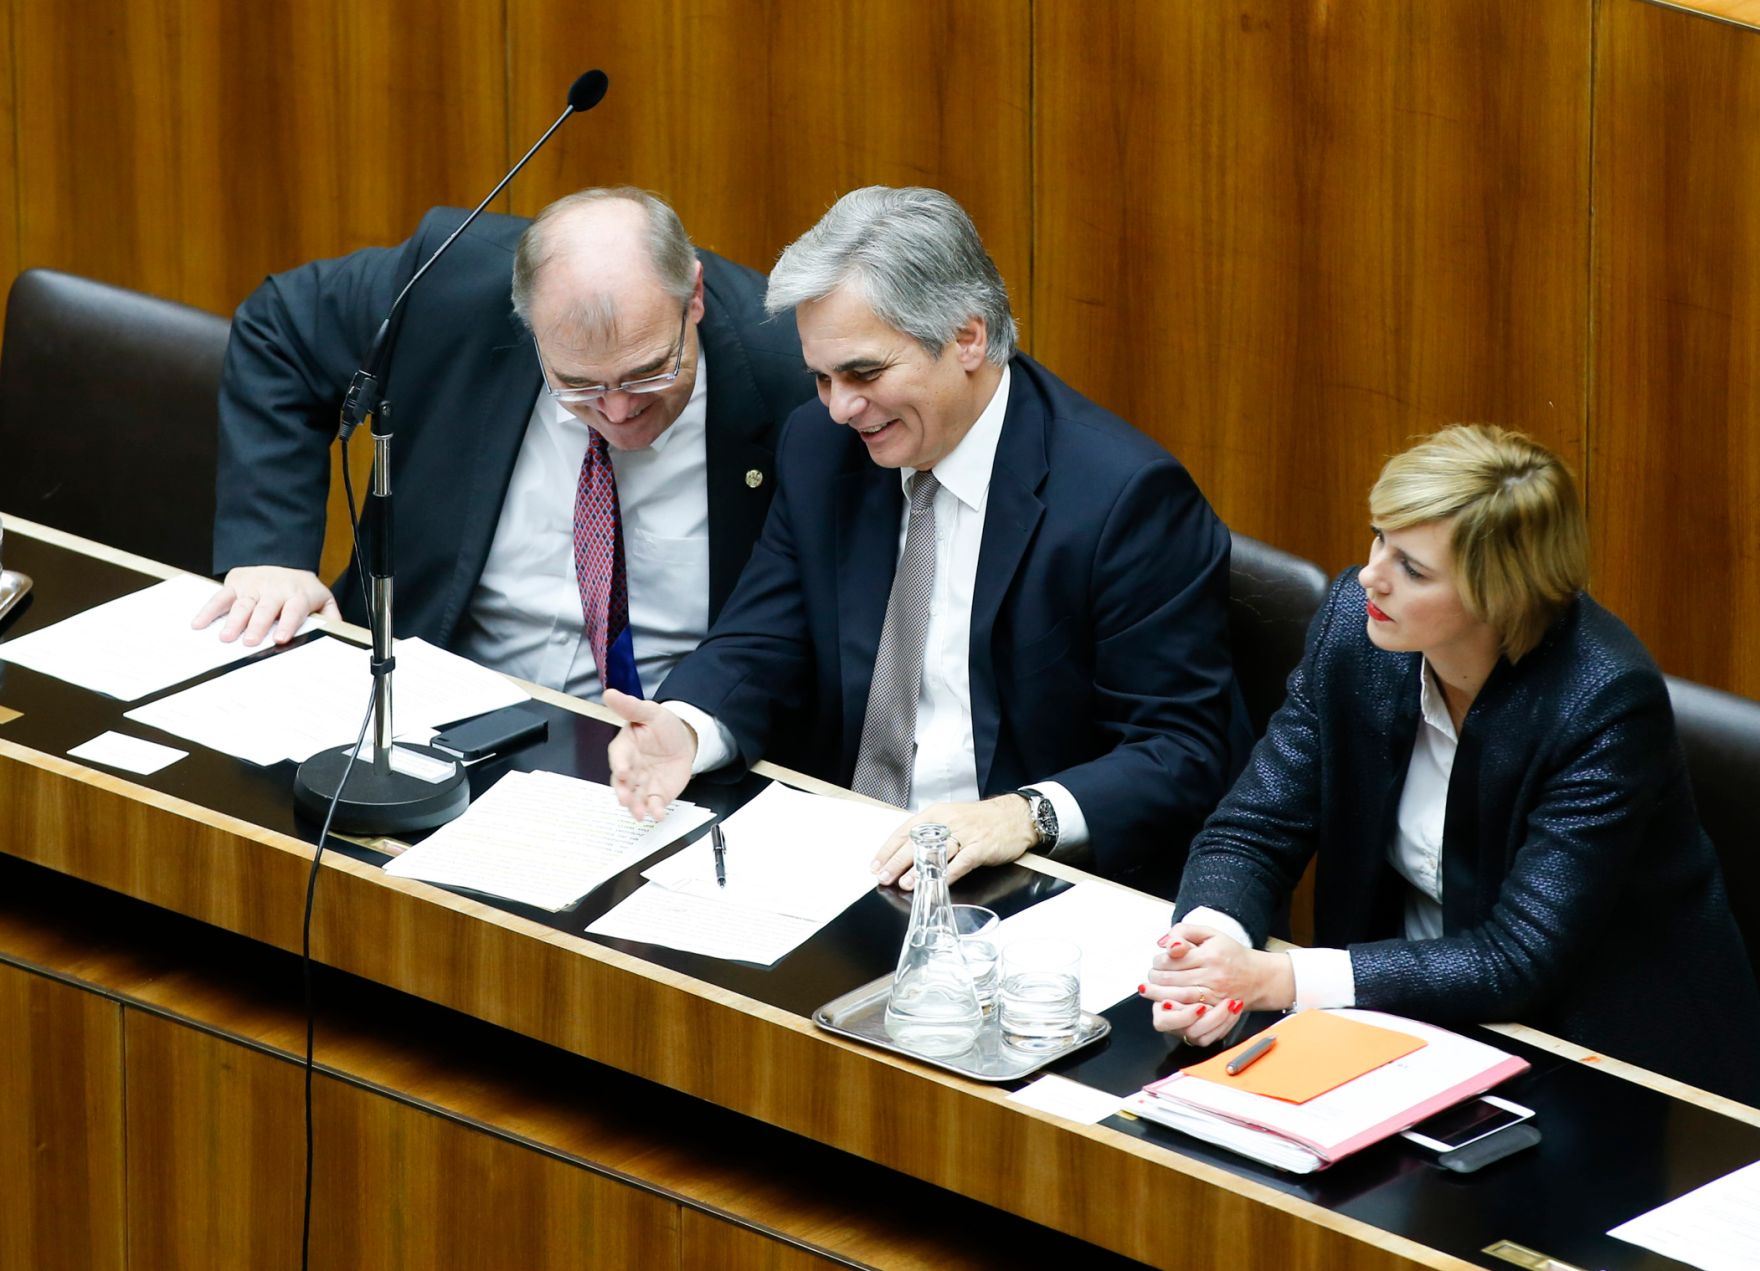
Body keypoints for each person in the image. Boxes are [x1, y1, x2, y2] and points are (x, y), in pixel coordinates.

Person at [607, 186, 1251, 895]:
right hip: (847, 860)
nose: (841, 407)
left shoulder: (1123, 500)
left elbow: (1182, 751)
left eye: (865, 373)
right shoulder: (821, 448)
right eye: (821, 377)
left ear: (968, 337)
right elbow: (762, 638)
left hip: (1023, 881)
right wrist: (688, 728)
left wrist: (1025, 814)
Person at [1144, 424, 1760, 1103]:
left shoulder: (1603, 704)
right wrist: (1207, 947)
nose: (1370, 574)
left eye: (1413, 568)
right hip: (1410, 1027)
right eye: (1380, 536)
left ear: (1499, 596)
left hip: (1605, 1067)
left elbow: (1517, 957)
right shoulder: (1358, 628)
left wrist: (1275, 979)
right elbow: (1253, 828)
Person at [195, 187, 813, 698]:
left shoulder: (796, 374)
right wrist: (270, 551)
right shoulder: (451, 286)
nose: (618, 412)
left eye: (649, 372)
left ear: (694, 298)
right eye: (577, 384)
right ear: (528, 324)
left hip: (664, 755)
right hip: (421, 700)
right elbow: (278, 328)